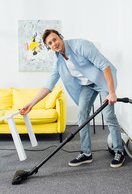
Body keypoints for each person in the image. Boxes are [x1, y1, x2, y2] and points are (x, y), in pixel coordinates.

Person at [20, 29, 125, 168]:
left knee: (109, 115)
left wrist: (112, 92)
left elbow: (105, 66)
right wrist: (31, 104)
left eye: (55, 39)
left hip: (102, 80)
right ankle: (86, 153)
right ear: (49, 47)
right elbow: (49, 84)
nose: (54, 44)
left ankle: (119, 151)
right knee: (82, 114)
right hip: (86, 85)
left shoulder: (81, 45)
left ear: (60, 37)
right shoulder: (58, 60)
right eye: (50, 43)